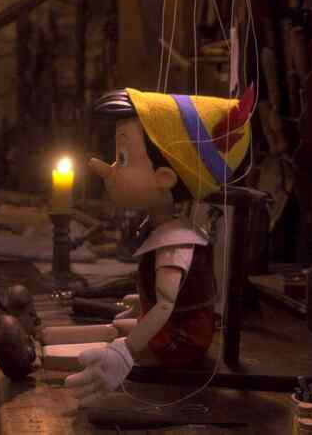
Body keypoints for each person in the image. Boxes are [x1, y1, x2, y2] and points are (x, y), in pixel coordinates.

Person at [66, 87, 253, 407]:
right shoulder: (165, 229)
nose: (107, 168)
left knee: (117, 340)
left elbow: (166, 305)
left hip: (182, 341)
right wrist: (140, 302)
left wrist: (126, 352)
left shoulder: (175, 241)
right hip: (177, 329)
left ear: (164, 177)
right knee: (116, 327)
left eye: (122, 159)